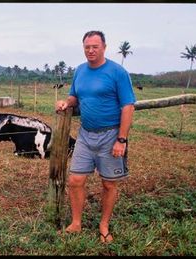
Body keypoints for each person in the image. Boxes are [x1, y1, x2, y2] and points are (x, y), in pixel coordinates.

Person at [55, 30, 136, 243]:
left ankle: (104, 224)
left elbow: (128, 106)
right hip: (85, 135)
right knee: (75, 180)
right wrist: (67, 103)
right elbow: (75, 95)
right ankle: (76, 223)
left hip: (110, 136)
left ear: (104, 47)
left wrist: (121, 139)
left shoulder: (117, 72)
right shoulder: (80, 71)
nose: (90, 51)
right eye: (87, 47)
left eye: (95, 47)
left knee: (109, 184)